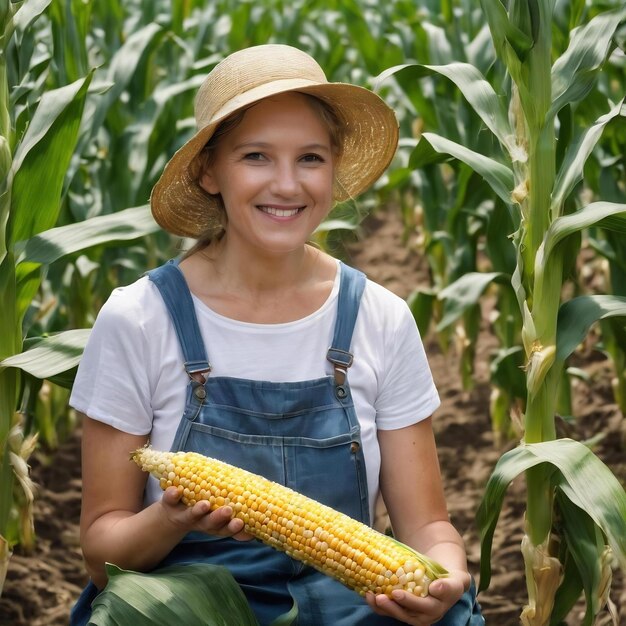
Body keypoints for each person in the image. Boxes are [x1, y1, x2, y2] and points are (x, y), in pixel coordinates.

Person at [69, 43, 484, 626]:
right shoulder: (139, 319)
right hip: (187, 607)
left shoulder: (380, 318)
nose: (287, 185)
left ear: (334, 169)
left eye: (310, 158)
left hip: (347, 606)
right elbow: (101, 554)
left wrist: (445, 573)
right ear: (210, 171)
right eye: (257, 156)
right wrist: (172, 517)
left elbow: (427, 527)